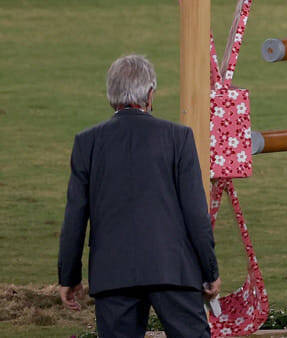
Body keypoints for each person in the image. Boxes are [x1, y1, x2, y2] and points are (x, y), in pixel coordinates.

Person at [58, 55, 220, 337]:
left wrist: (69, 277)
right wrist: (210, 270)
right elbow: (195, 212)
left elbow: (74, 218)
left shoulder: (87, 143)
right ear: (150, 93)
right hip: (174, 270)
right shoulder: (177, 137)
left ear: (111, 96)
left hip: (113, 274)